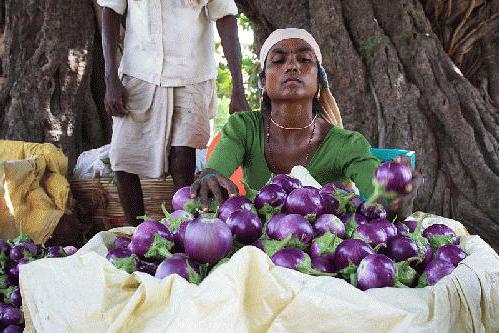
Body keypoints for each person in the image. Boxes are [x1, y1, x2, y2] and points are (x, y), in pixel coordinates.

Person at [191, 28, 422, 221]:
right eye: (279, 60)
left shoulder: (348, 144)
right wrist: (207, 179)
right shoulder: (243, 128)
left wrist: (396, 202)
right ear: (263, 81)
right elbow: (214, 173)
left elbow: (380, 202)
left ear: (319, 81)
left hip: (323, 260)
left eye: (304, 59)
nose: (292, 66)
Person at [98, 0, 249, 225]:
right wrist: (110, 77)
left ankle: (186, 229)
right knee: (121, 159)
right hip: (140, 72)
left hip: (191, 75)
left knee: (182, 161)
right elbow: (110, 10)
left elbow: (226, 17)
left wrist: (239, 88)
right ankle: (137, 233)